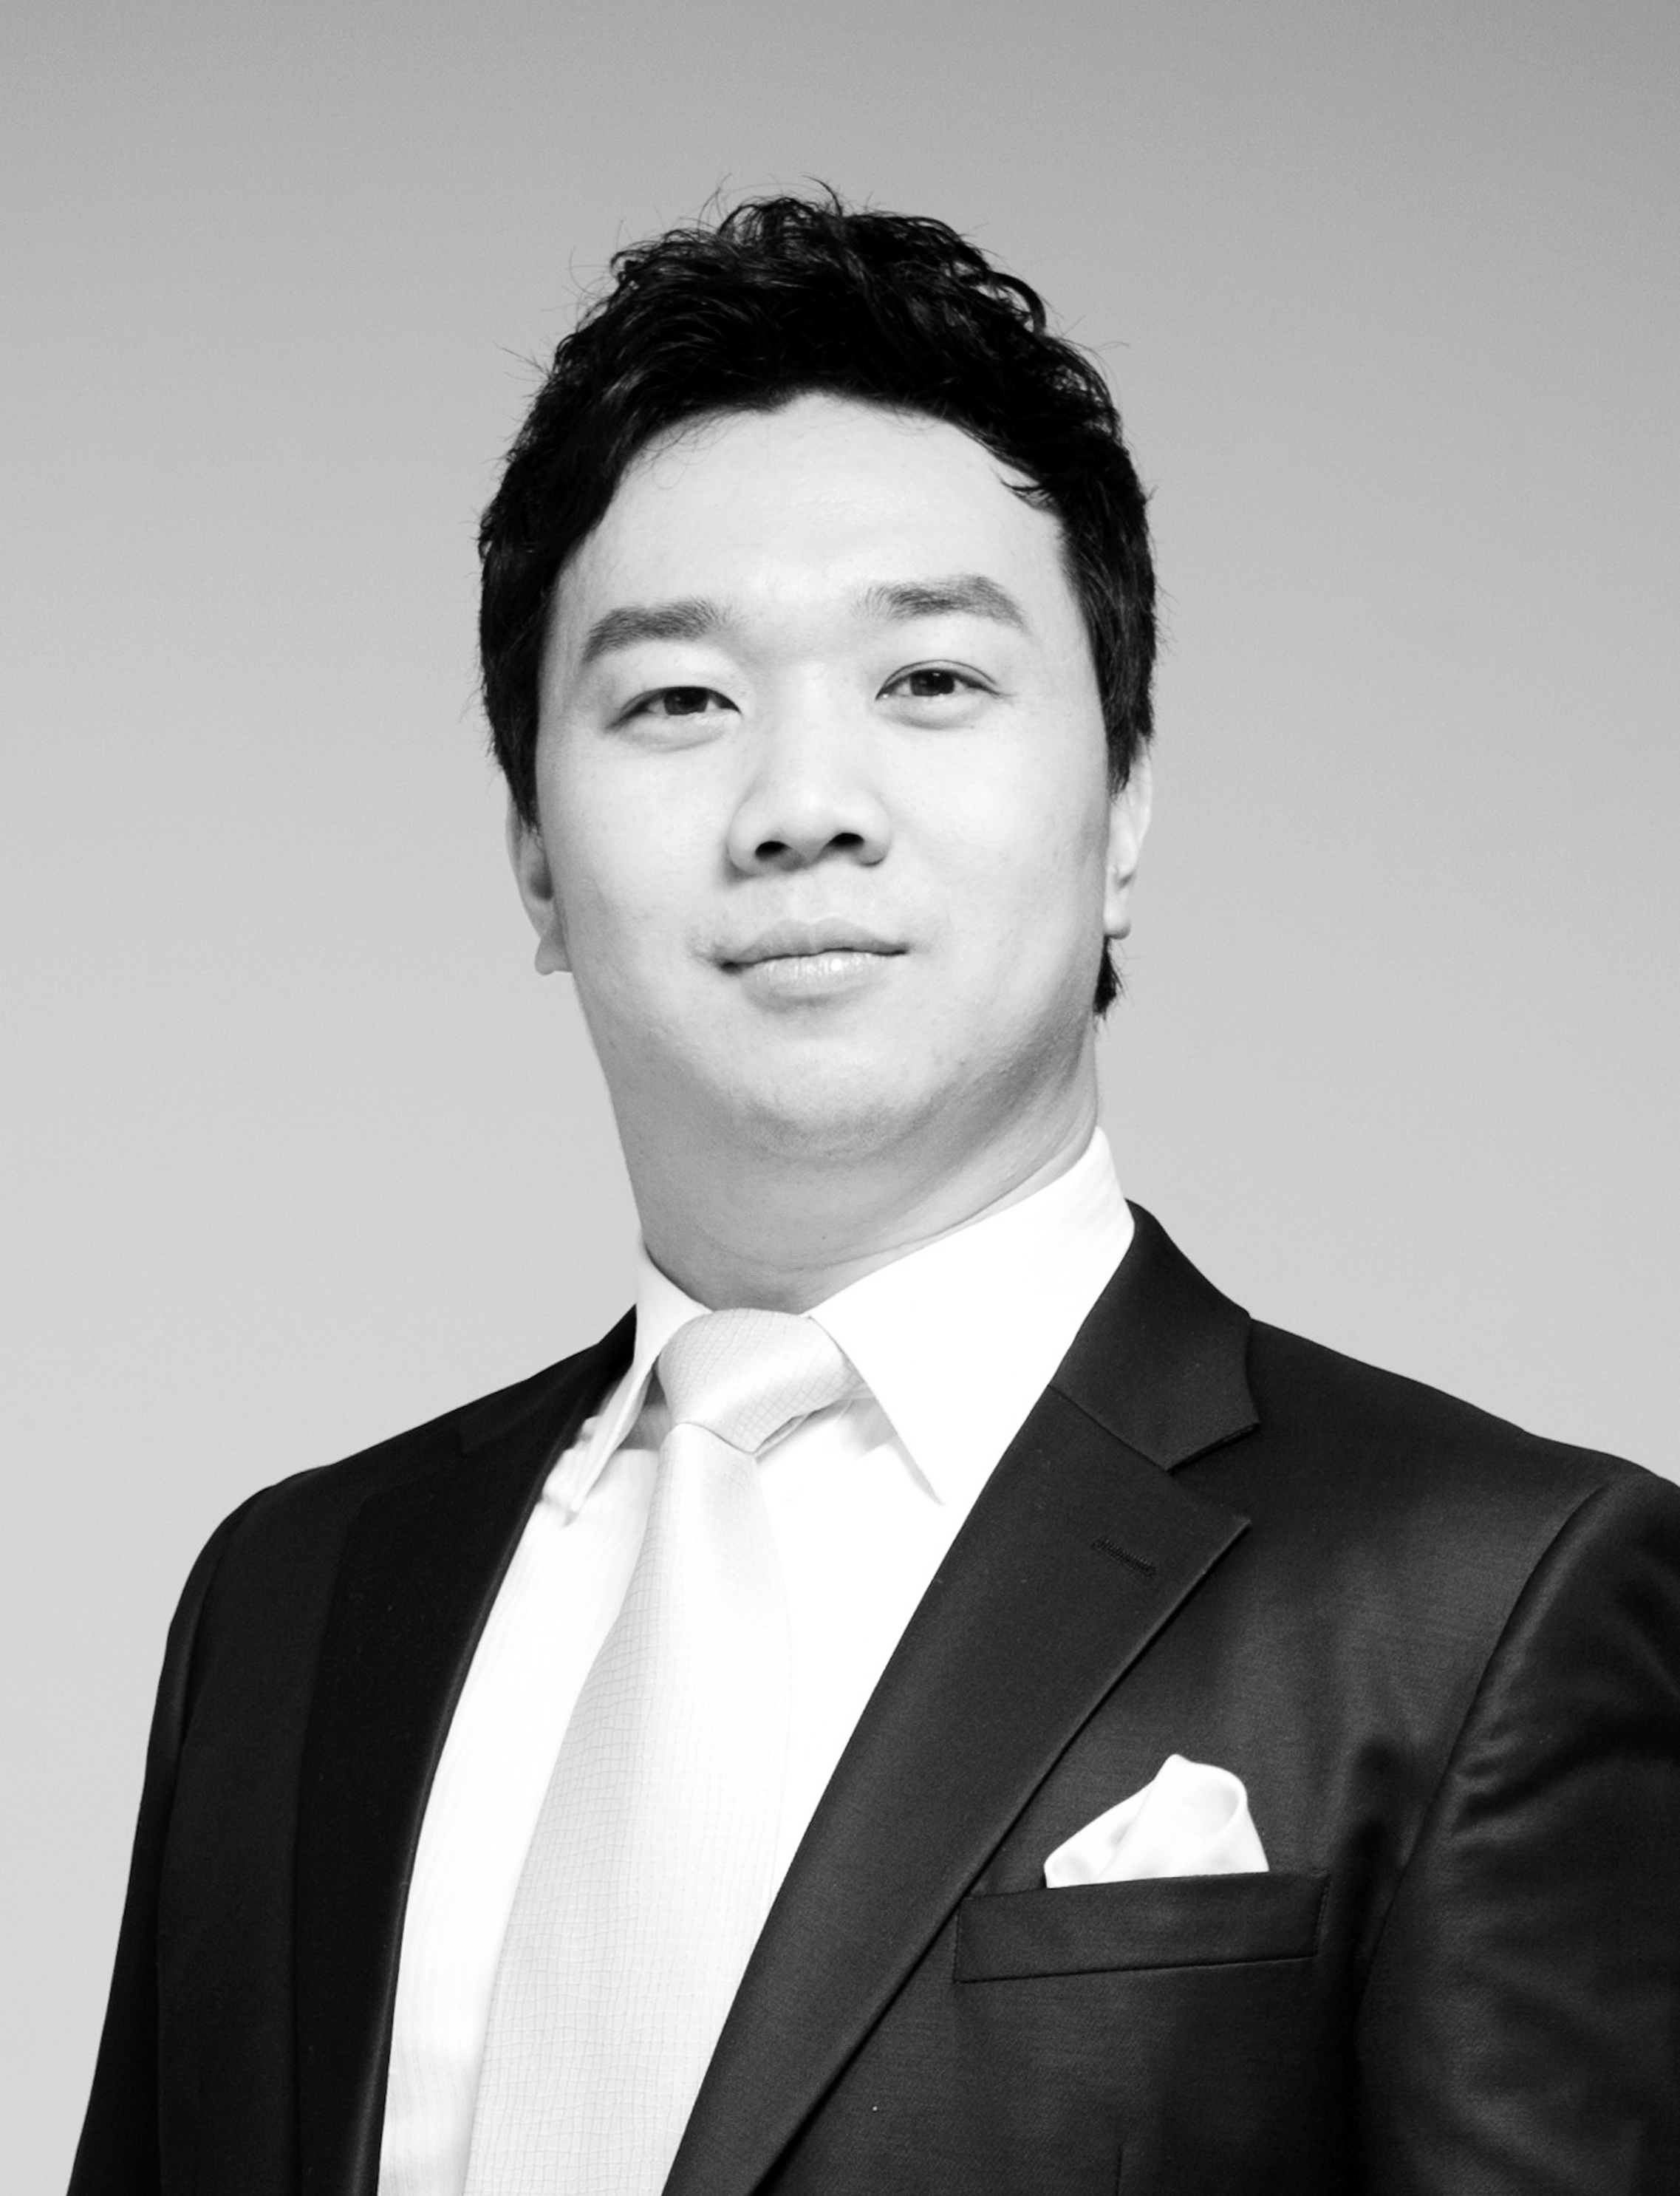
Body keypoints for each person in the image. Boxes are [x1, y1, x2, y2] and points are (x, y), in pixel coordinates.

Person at [71, 193, 1680, 2196]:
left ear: (1124, 807)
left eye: (927, 679)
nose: (803, 805)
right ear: (535, 857)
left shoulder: (1484, 1598)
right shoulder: (293, 1601)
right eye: (679, 699)